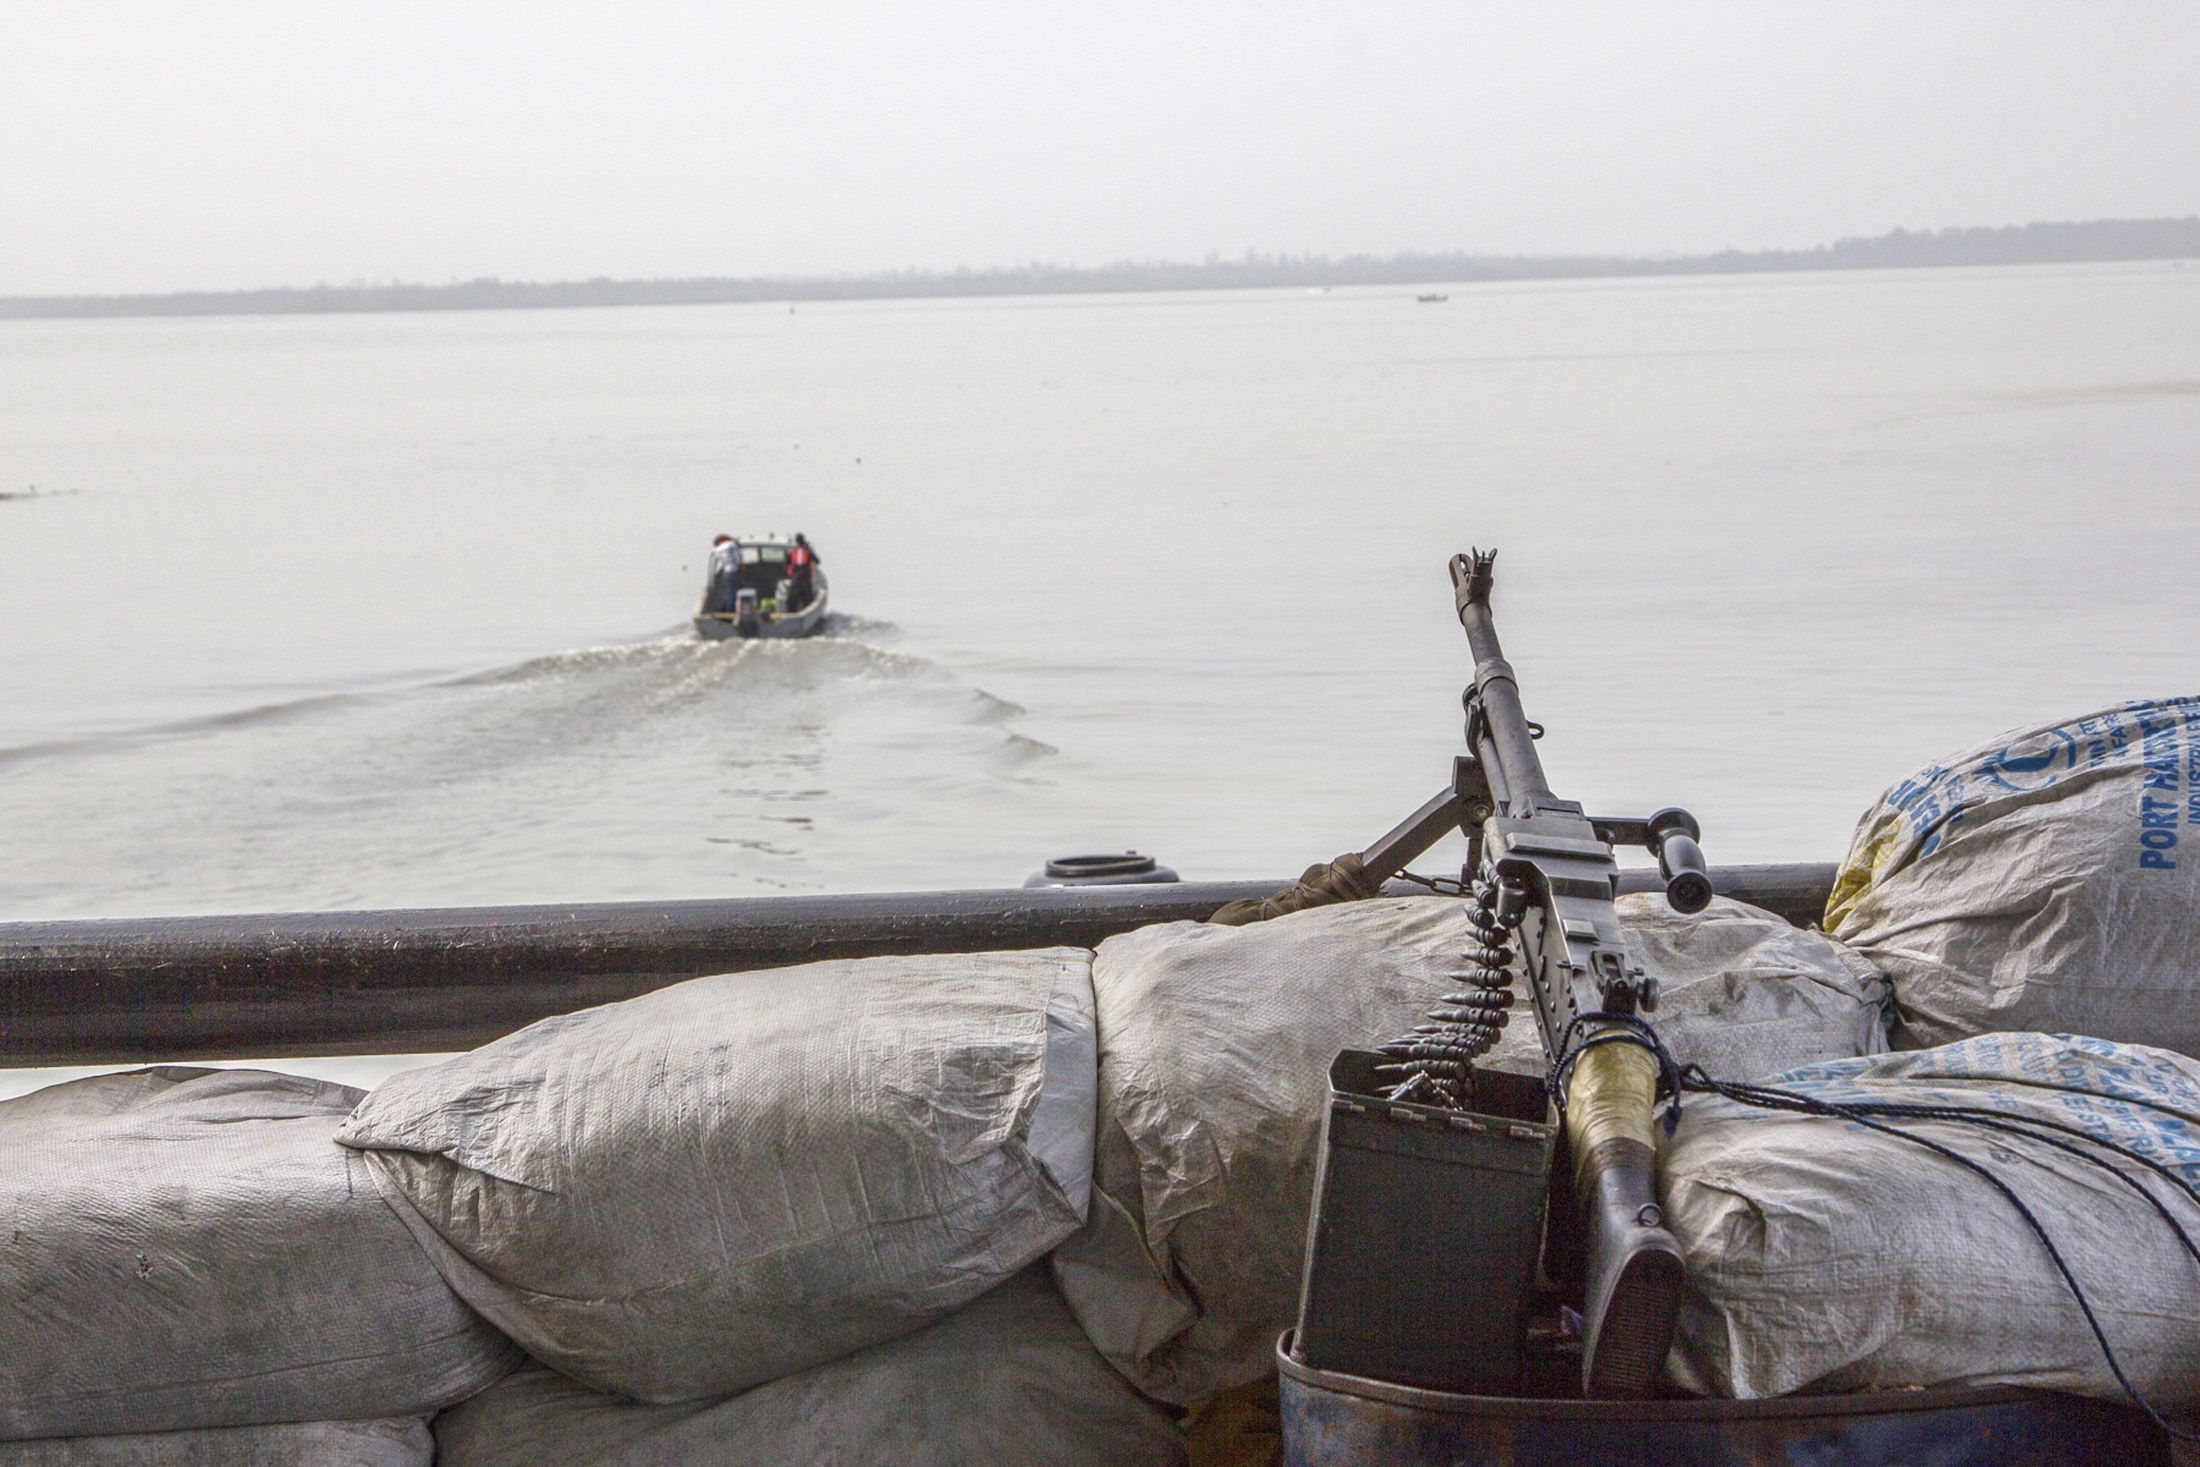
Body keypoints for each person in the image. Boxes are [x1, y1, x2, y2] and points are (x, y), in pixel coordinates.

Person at [706, 533, 742, 613]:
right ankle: (729, 611)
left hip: (725, 573)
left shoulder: (717, 549)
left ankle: (723, 608)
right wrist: (741, 574)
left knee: (726, 591)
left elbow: (720, 561)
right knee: (732, 592)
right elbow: (739, 561)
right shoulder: (732, 545)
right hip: (733, 572)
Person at [786, 533, 819, 611]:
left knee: (792, 599)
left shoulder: (792, 552)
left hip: (796, 579)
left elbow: (787, 563)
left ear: (796, 542)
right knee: (807, 600)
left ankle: (791, 614)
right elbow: (817, 561)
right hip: (806, 579)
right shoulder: (808, 552)